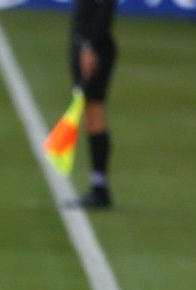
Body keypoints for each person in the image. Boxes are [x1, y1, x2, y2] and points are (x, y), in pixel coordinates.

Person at [71, 0, 119, 208]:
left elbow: (105, 8)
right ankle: (98, 186)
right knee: (91, 114)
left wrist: (91, 45)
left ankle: (100, 188)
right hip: (85, 44)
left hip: (93, 48)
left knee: (94, 113)